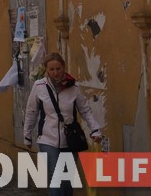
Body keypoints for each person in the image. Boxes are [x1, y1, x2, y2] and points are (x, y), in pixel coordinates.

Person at [23, 52, 103, 196]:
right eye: (51, 69)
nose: (55, 73)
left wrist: (95, 129)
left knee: (67, 179)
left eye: (58, 69)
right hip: (48, 139)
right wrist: (27, 135)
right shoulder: (39, 86)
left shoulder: (74, 87)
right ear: (46, 70)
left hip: (70, 139)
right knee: (56, 175)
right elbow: (31, 111)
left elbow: (85, 110)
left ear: (63, 67)